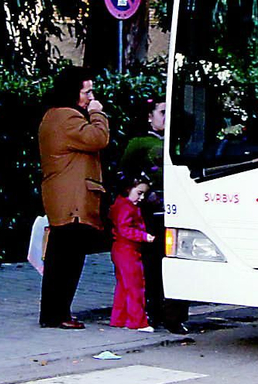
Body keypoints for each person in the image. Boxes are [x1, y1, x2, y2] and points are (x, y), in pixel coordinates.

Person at [37, 67, 111, 328]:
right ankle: (58, 315)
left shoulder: (54, 116)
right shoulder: (67, 117)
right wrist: (97, 113)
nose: (91, 97)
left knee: (61, 258)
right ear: (73, 92)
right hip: (72, 202)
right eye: (87, 91)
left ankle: (55, 313)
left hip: (65, 198)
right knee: (67, 261)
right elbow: (98, 138)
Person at [120, 99, 188, 333]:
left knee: (178, 260)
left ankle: (176, 315)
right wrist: (140, 192)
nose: (166, 118)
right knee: (152, 263)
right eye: (161, 113)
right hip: (150, 213)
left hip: (179, 209)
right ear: (149, 116)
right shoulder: (139, 143)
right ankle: (154, 311)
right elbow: (124, 174)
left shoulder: (179, 142)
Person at [107, 175, 154, 331]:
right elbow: (125, 229)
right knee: (135, 286)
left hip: (120, 249)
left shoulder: (120, 204)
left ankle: (119, 319)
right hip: (128, 250)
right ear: (129, 189)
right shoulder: (127, 207)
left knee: (123, 286)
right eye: (139, 193)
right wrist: (144, 236)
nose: (141, 197)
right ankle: (137, 321)